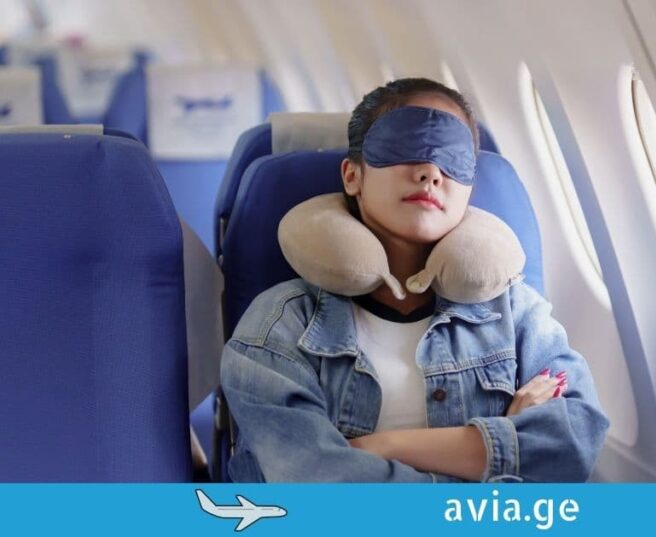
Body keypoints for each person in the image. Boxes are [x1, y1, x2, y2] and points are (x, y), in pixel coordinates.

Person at [220, 78, 610, 483]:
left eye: (452, 157)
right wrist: (488, 464)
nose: (429, 172)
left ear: (469, 189)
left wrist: (379, 445)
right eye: (403, 147)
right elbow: (316, 482)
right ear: (353, 176)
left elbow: (574, 440)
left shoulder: (515, 313)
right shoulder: (278, 326)